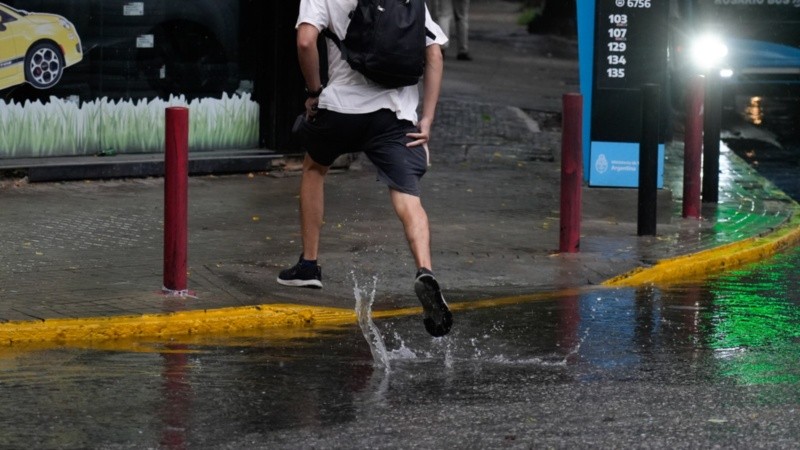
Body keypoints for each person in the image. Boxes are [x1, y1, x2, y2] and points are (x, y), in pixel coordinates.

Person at [277, 0, 454, 337]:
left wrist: (314, 91)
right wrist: (427, 118)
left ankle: (309, 264)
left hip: (340, 109)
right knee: (407, 195)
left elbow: (304, 41)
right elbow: (434, 55)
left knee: (314, 168)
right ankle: (425, 270)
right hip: (395, 114)